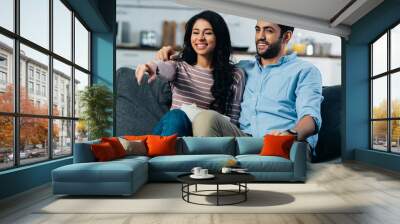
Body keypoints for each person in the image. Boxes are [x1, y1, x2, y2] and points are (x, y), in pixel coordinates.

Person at [157, 19, 323, 155]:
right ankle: (206, 176)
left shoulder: (304, 70)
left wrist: (291, 134)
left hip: (282, 139)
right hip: (244, 140)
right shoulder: (242, 69)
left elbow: (311, 119)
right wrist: (174, 54)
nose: (261, 36)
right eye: (258, 30)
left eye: (269, 31)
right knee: (206, 118)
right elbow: (205, 61)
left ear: (286, 37)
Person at [135, 10, 245, 137]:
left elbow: (232, 121)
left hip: (203, 138)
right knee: (177, 115)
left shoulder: (235, 74)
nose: (200, 38)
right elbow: (163, 68)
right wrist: (150, 67)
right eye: (195, 32)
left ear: (219, 37)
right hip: (173, 131)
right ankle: (166, 153)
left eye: (208, 33)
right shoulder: (179, 66)